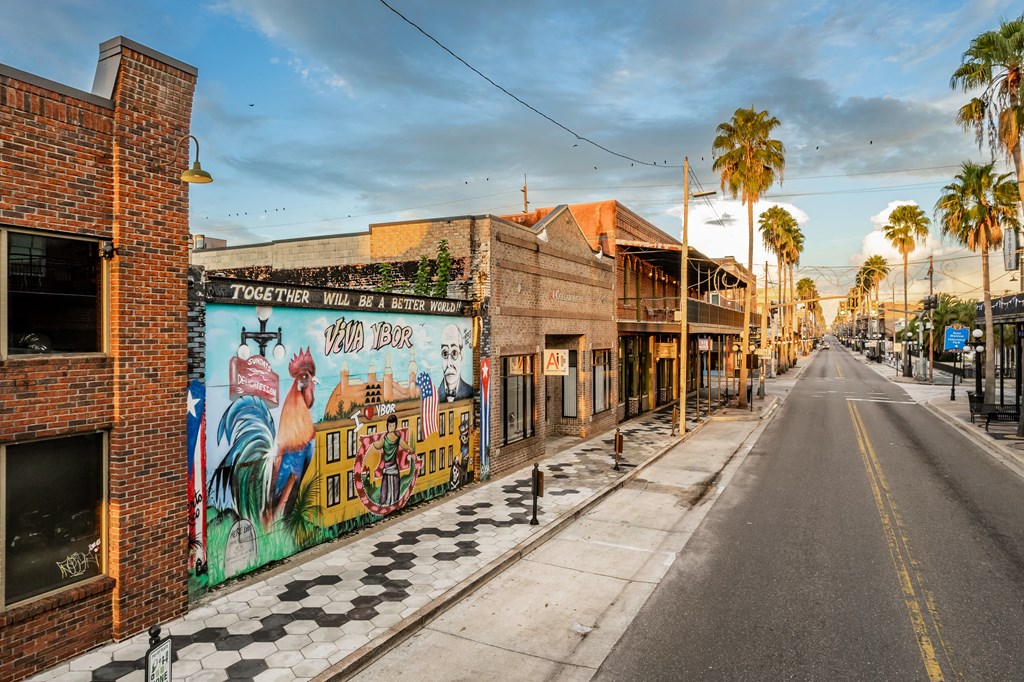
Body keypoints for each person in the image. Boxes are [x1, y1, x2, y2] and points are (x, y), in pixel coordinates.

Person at [371, 414, 413, 509]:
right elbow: (405, 446)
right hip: (392, 467)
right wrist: (411, 449)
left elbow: (377, 446)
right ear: (387, 426)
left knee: (386, 487)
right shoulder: (395, 439)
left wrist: (372, 439)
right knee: (393, 486)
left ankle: (387, 504)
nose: (391, 427)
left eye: (393, 425)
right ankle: (393, 504)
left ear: (395, 426)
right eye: (390, 425)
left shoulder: (387, 439)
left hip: (389, 467)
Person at [437, 323, 473, 401]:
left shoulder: (470, 391)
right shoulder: (434, 397)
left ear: (462, 355)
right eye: (445, 353)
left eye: (454, 353)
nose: (449, 363)